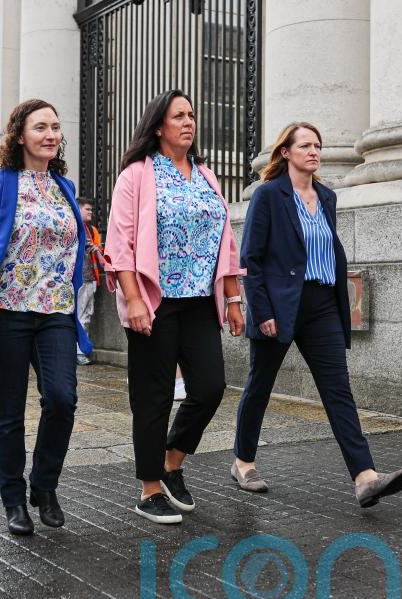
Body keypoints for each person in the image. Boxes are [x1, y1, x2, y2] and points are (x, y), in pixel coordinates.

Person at [233, 121, 402, 508]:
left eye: (318, 146)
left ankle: (365, 477)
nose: (314, 151)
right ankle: (243, 461)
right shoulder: (268, 196)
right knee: (260, 385)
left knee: (337, 390)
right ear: (286, 153)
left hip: (323, 304)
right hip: (279, 306)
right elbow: (251, 259)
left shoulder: (327, 197)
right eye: (306, 145)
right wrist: (260, 310)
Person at [104, 89, 245, 524]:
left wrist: (234, 297)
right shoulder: (137, 175)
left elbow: (225, 241)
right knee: (154, 396)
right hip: (154, 301)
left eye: (192, 114)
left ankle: (171, 462)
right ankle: (149, 490)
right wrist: (133, 299)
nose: (189, 122)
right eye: (178, 116)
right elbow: (120, 245)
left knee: (210, 387)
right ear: (159, 126)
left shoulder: (206, 174)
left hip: (201, 301)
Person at [0, 99, 91, 536]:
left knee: (62, 398)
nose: (51, 135)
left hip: (56, 308)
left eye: (56, 127)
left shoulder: (65, 187)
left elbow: (71, 244)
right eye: (41, 127)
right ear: (19, 135)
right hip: (7, 308)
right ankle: (14, 499)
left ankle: (45, 485)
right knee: (10, 410)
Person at [76, 197, 104, 365]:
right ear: (79, 209)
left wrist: (97, 249)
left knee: (86, 315)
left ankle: (81, 350)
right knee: (80, 316)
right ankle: (78, 352)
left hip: (90, 277)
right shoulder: (77, 227)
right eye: (87, 209)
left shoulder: (91, 229)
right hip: (80, 279)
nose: (91, 212)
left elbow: (98, 247)